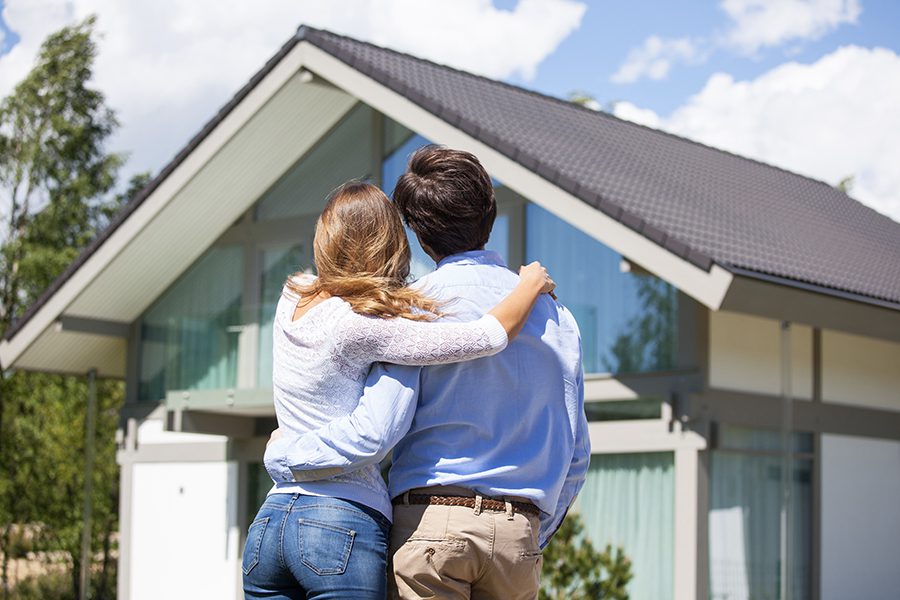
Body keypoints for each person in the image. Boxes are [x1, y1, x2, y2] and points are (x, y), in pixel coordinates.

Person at [268, 146, 590, 600]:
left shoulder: (410, 312)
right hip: (520, 534)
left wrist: (288, 454)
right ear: (490, 211)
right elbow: (576, 454)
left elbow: (376, 429)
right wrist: (530, 531)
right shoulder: (558, 317)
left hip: (431, 523)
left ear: (417, 233)